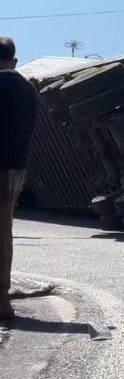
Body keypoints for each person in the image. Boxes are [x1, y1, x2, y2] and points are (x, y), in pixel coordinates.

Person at [0, 37, 40, 321]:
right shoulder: (28, 88)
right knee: (4, 230)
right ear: (13, 60)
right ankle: (2, 297)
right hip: (16, 167)